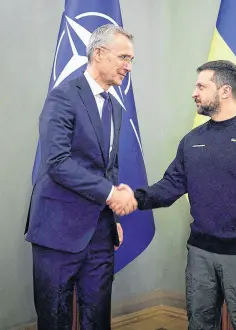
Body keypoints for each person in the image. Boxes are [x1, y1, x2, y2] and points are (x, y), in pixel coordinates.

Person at [111, 60, 236, 330]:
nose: (194, 93)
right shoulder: (191, 141)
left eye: (201, 86)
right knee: (200, 324)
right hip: (200, 254)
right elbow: (170, 186)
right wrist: (135, 198)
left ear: (225, 91)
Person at [25, 24, 137, 330]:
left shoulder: (115, 107)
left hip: (100, 232)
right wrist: (112, 195)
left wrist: (112, 215)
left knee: (97, 317)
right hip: (57, 228)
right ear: (98, 54)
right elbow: (57, 162)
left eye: (131, 60)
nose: (128, 66)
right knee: (56, 317)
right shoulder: (62, 97)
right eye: (123, 57)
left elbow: (108, 167)